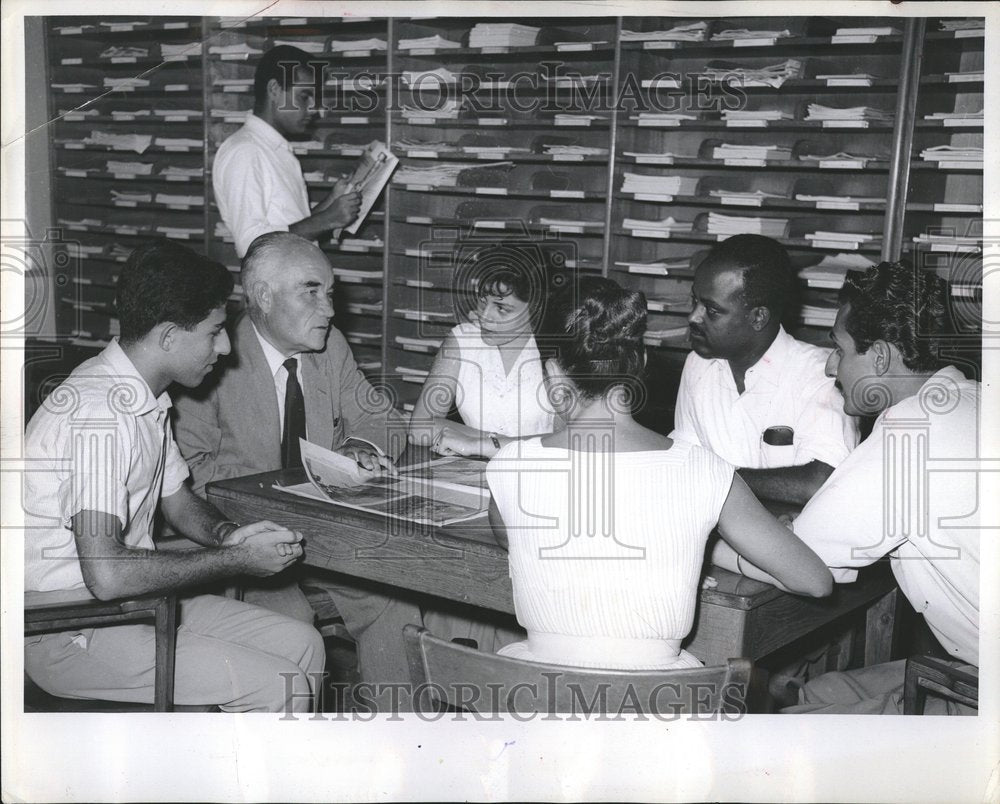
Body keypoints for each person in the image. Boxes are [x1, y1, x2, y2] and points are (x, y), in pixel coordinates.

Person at [23, 240, 325, 713]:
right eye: (215, 332)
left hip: (133, 607)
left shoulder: (143, 397)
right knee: (271, 684)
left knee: (302, 644)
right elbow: (105, 573)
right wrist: (236, 561)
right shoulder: (100, 414)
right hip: (66, 627)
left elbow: (178, 502)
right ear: (168, 337)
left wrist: (229, 535)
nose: (225, 348)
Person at [485, 276, 832, 671]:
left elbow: (516, 542)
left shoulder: (508, 465)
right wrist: (703, 540)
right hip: (657, 711)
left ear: (552, 375)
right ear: (642, 365)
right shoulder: (705, 471)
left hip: (541, 704)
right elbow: (815, 582)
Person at [774, 261, 978, 714]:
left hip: (984, 690)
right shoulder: (976, 397)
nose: (831, 366)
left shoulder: (911, 428)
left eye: (839, 348)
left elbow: (801, 563)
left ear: (881, 357)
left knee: (789, 730)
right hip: (974, 669)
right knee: (825, 690)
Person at [173, 231, 404, 630]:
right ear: (264, 296)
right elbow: (190, 477)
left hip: (322, 534)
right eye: (311, 293)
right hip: (245, 539)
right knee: (291, 626)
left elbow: (381, 418)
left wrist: (356, 447)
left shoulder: (330, 347)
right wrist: (281, 497)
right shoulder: (211, 356)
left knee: (394, 602)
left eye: (330, 293)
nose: (329, 310)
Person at [672, 234, 859, 505]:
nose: (694, 317)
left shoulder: (821, 375)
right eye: (695, 302)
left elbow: (820, 482)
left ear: (758, 317)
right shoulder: (698, 364)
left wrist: (715, 478)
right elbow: (684, 459)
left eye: (711, 310)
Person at [213, 45, 362, 258]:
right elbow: (250, 245)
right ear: (274, 90)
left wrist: (332, 201)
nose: (313, 108)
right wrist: (329, 218)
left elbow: (290, 225)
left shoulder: (275, 148)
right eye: (304, 96)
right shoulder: (245, 151)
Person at [409, 244, 556, 458]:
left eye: (502, 308)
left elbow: (567, 441)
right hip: (474, 471)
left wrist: (477, 443)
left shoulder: (554, 351)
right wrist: (489, 443)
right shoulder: (463, 341)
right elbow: (419, 428)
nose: (485, 315)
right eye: (483, 301)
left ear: (536, 308)